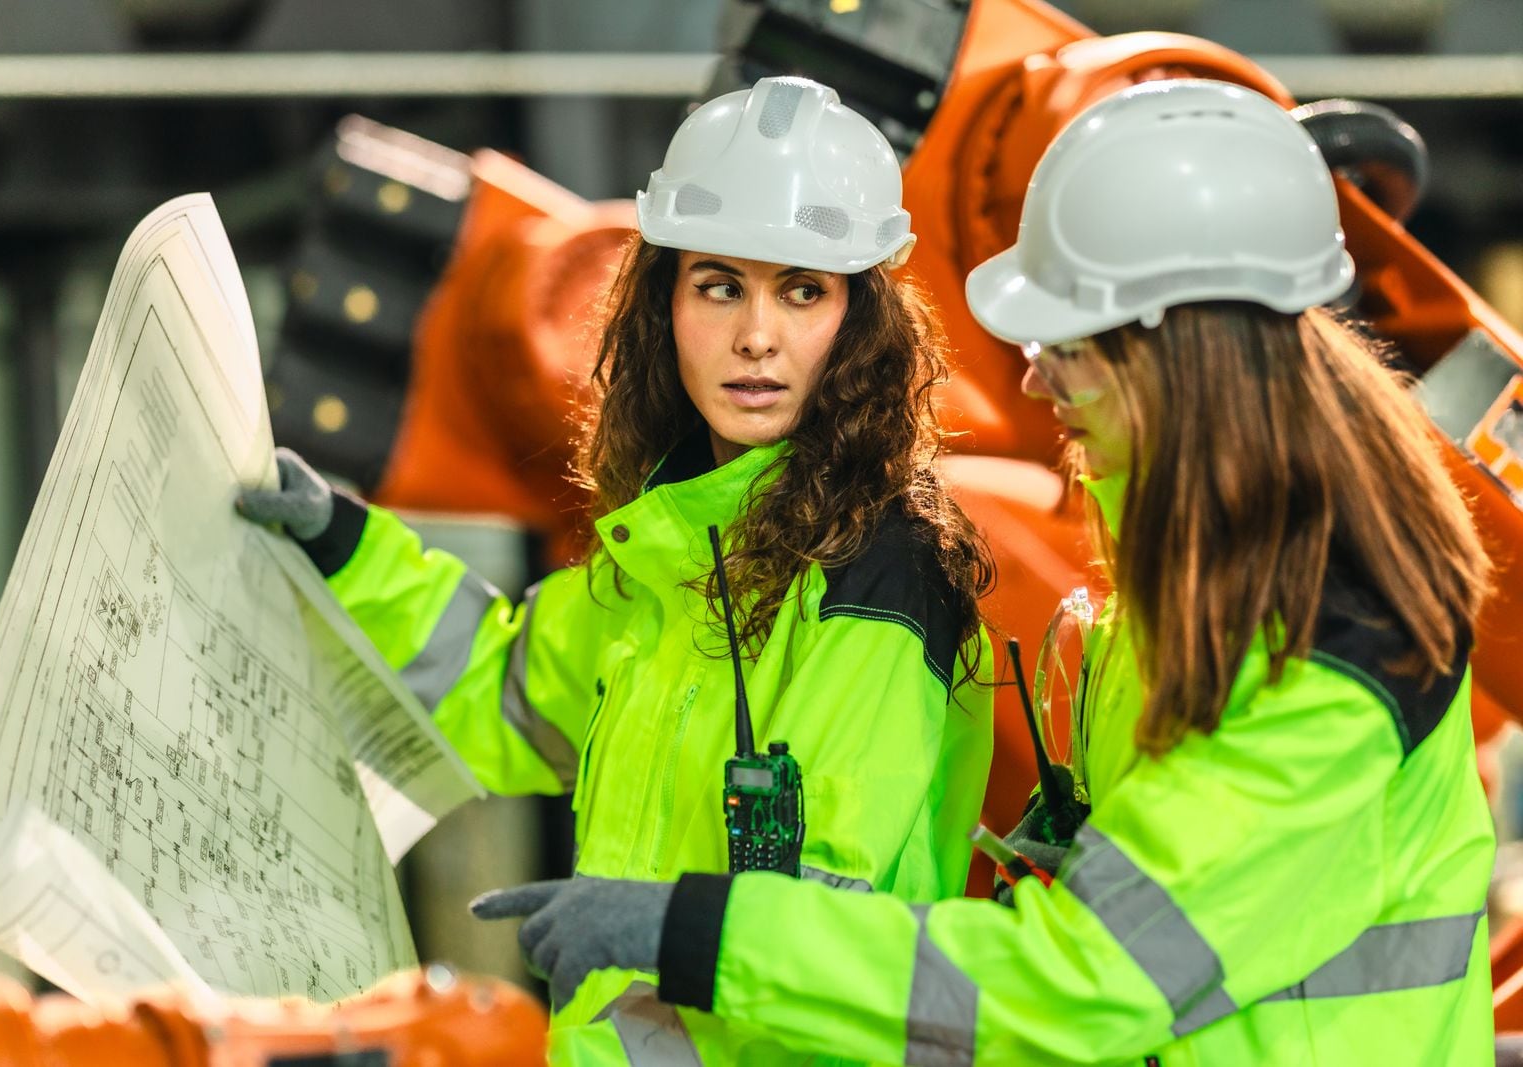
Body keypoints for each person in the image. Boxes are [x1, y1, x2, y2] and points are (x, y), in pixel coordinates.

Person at [474, 79, 1496, 1065]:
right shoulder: (1196, 582)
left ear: (1178, 353)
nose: (1030, 372)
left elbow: (1085, 977)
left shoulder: (1323, 655)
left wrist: (699, 933)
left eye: (1070, 342)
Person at [238, 75, 997, 1065]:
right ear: (664, 304)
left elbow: (824, 937)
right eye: (719, 284)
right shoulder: (668, 558)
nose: (755, 335)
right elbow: (496, 687)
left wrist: (645, 940)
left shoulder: (879, 577)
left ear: (858, 320)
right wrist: (343, 545)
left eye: (801, 289)